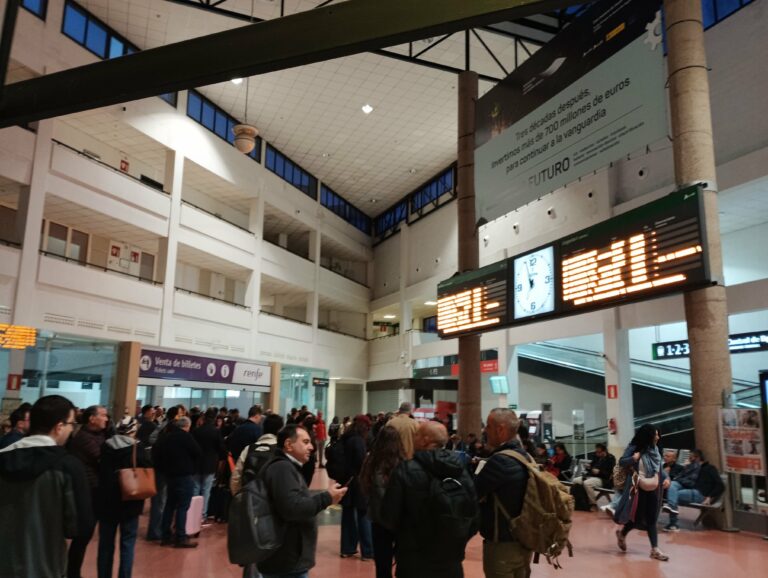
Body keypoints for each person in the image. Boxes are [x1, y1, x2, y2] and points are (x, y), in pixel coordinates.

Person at [0, 395, 93, 577]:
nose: (72, 430)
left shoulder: (2, 457)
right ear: (59, 427)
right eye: (71, 424)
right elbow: (81, 527)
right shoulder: (68, 466)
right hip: (47, 567)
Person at [380, 421, 477, 578]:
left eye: (417, 434)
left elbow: (389, 517)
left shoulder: (406, 470)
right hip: (451, 560)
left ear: (425, 440)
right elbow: (474, 516)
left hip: (414, 560)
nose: (414, 437)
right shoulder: (461, 472)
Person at [258, 425, 347, 578]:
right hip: (286, 560)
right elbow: (292, 508)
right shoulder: (282, 469)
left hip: (288, 557)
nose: (311, 447)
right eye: (305, 442)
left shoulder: (286, 467)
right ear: (288, 445)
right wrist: (327, 498)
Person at [474, 408, 532, 578]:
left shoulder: (500, 461)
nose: (485, 431)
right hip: (524, 539)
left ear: (501, 429)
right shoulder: (525, 456)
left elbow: (473, 492)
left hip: (502, 543)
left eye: (489, 427)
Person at [96, 416, 150, 578]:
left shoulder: (106, 446)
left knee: (105, 545)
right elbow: (147, 467)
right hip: (130, 501)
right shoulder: (137, 448)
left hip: (107, 501)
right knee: (127, 544)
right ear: (133, 430)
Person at [614, 424, 670, 561]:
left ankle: (655, 549)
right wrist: (634, 458)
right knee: (636, 517)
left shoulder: (655, 450)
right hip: (637, 487)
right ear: (648, 436)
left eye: (658, 434)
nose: (658, 437)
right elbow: (622, 462)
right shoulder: (635, 448)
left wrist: (666, 478)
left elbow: (658, 469)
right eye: (655, 434)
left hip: (653, 487)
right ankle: (622, 533)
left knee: (651, 518)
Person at [67, 404, 110, 578]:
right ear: (92, 418)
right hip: (87, 490)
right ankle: (72, 572)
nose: (107, 419)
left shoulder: (99, 435)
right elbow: (102, 457)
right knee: (83, 535)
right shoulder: (84, 438)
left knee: (85, 535)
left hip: (95, 489)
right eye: (103, 415)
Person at [359, 425, 403, 578]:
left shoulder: (371, 460)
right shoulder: (401, 462)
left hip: (378, 517)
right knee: (402, 561)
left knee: (382, 562)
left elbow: (366, 485)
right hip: (399, 519)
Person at [153, 416, 202, 547]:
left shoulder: (167, 437)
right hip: (184, 475)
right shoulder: (186, 437)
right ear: (187, 426)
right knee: (183, 506)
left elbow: (157, 453)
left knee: (169, 505)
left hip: (169, 475)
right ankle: (180, 537)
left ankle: (165, 535)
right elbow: (197, 452)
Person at [663, 449, 725, 532]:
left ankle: (673, 523)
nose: (689, 459)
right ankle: (672, 516)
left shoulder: (710, 468)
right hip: (687, 488)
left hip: (699, 493)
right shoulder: (691, 467)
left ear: (698, 458)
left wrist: (709, 497)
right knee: (673, 484)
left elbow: (720, 485)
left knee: (673, 495)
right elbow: (681, 478)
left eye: (691, 458)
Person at [339, 415, 374, 560]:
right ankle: (368, 551)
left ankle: (347, 548)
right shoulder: (358, 440)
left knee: (347, 515)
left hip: (346, 480)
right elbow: (361, 462)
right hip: (358, 482)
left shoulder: (345, 437)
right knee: (364, 515)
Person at [231, 413, 285, 495]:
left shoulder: (249, 449)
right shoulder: (281, 451)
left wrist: (239, 498)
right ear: (280, 431)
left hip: (249, 499)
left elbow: (236, 477)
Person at [192, 407, 226, 522]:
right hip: (210, 464)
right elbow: (221, 448)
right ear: (215, 418)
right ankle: (202, 515)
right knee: (206, 490)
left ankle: (193, 513)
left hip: (196, 463)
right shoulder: (216, 431)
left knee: (195, 489)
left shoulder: (197, 431)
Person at [572, 443, 616, 509]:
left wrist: (599, 472)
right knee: (575, 480)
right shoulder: (596, 456)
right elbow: (591, 467)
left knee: (587, 483)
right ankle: (580, 502)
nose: (597, 454)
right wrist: (588, 467)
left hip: (603, 479)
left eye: (599, 452)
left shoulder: (610, 459)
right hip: (592, 476)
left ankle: (593, 504)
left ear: (604, 451)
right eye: (596, 452)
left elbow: (610, 473)